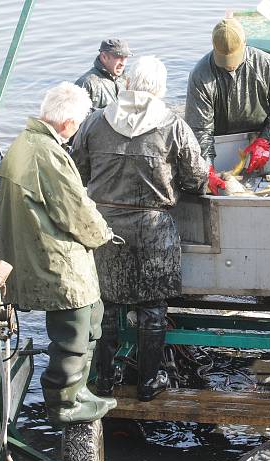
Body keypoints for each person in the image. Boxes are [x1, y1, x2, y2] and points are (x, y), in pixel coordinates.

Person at [72, 56, 209, 401]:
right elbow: (196, 178)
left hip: (104, 226)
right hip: (152, 228)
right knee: (152, 307)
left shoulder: (93, 122)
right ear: (160, 89)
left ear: (128, 83)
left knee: (105, 304)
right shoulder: (172, 125)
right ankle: (149, 382)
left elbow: (77, 171)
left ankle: (104, 379)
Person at [0, 82, 118, 425]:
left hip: (34, 251)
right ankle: (64, 403)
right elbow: (75, 209)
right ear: (67, 124)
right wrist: (103, 235)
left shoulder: (24, 143)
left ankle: (80, 391)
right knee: (74, 330)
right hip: (54, 259)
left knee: (92, 317)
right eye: (78, 125)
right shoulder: (47, 154)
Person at [185, 15, 270, 194]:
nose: (229, 65)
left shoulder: (268, 65)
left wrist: (265, 140)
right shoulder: (200, 75)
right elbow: (200, 129)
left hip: (258, 135)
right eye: (224, 59)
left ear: (245, 42)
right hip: (220, 140)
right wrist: (208, 169)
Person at [75, 38, 133, 110]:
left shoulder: (126, 79)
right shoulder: (87, 83)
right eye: (118, 57)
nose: (123, 63)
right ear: (104, 57)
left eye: (125, 57)